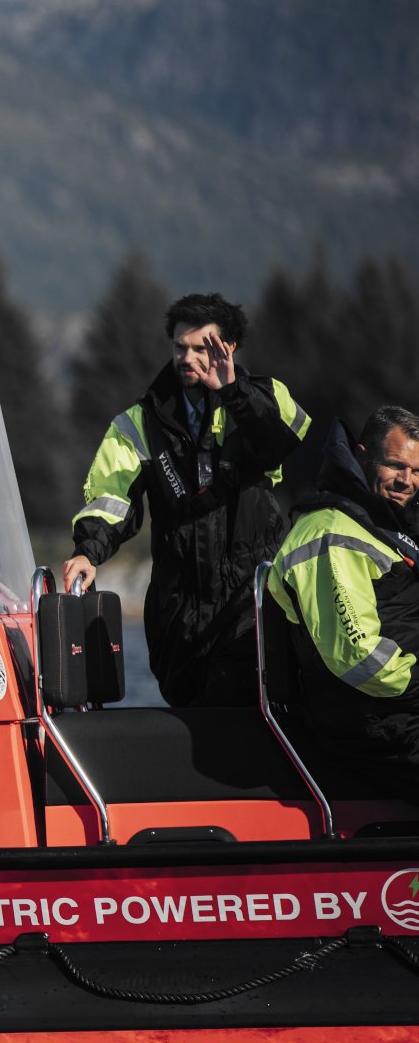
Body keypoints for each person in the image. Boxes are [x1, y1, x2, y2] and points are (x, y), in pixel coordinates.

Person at [63, 293, 309, 707]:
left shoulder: (265, 399)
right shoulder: (138, 422)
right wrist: (88, 552)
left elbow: (278, 444)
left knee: (239, 706)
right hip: (177, 608)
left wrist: (233, 391)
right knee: (188, 713)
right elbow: (111, 496)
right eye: (181, 347)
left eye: (202, 348)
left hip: (249, 598)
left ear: (228, 348)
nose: (188, 357)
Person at [267, 406, 419, 801]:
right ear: (364, 455)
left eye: (417, 471)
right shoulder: (330, 534)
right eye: (395, 466)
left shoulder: (386, 523)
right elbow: (360, 660)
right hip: (369, 723)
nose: (407, 481)